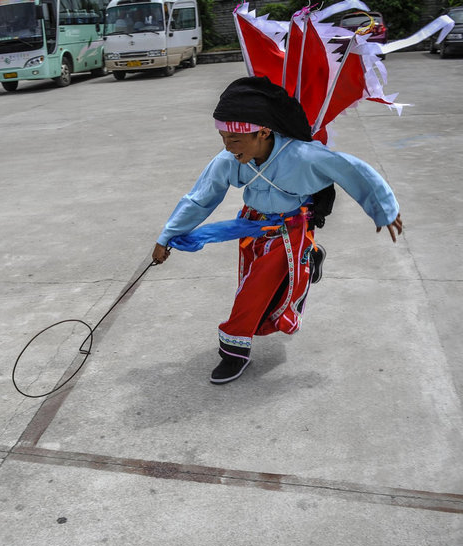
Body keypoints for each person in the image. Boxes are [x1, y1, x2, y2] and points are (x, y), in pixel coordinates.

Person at [152, 77, 403, 384]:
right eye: (224, 139)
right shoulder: (229, 159)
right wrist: (166, 236)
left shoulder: (303, 156)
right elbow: (200, 197)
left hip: (289, 230)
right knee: (252, 283)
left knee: (253, 291)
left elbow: (352, 170)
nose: (228, 148)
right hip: (251, 226)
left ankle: (233, 352)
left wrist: (384, 210)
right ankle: (309, 259)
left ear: (264, 131)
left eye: (236, 140)